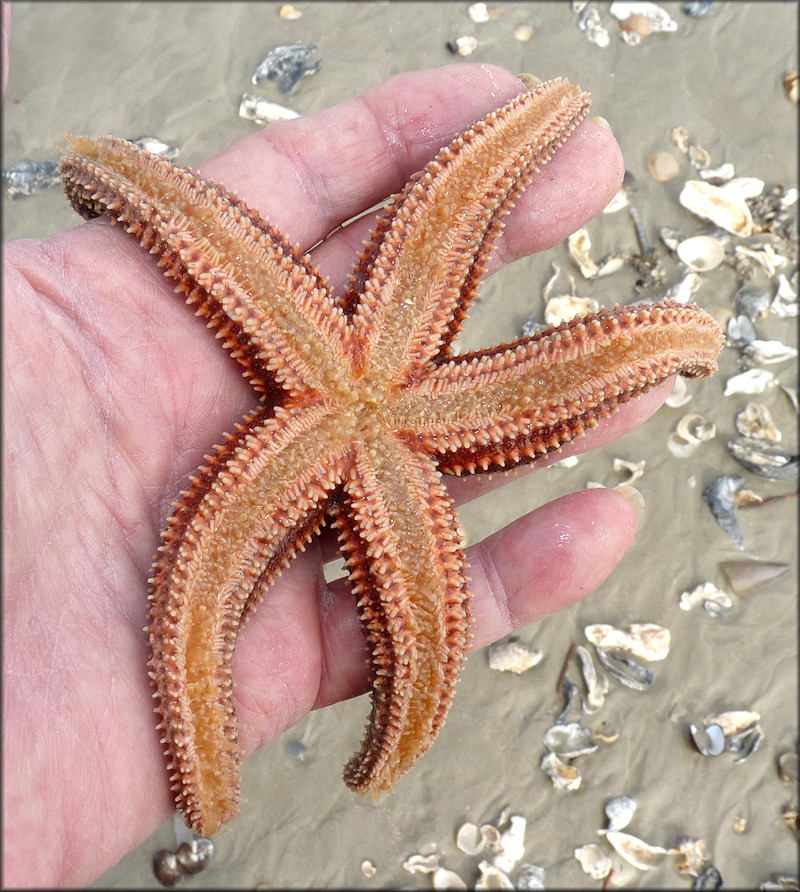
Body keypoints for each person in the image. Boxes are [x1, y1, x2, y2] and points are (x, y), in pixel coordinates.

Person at [4, 18, 668, 885]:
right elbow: (212, 238)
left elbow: (440, 222)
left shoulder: (350, 342)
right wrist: (108, 178)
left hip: (365, 427)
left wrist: (654, 340)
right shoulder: (299, 322)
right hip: (341, 425)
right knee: (205, 597)